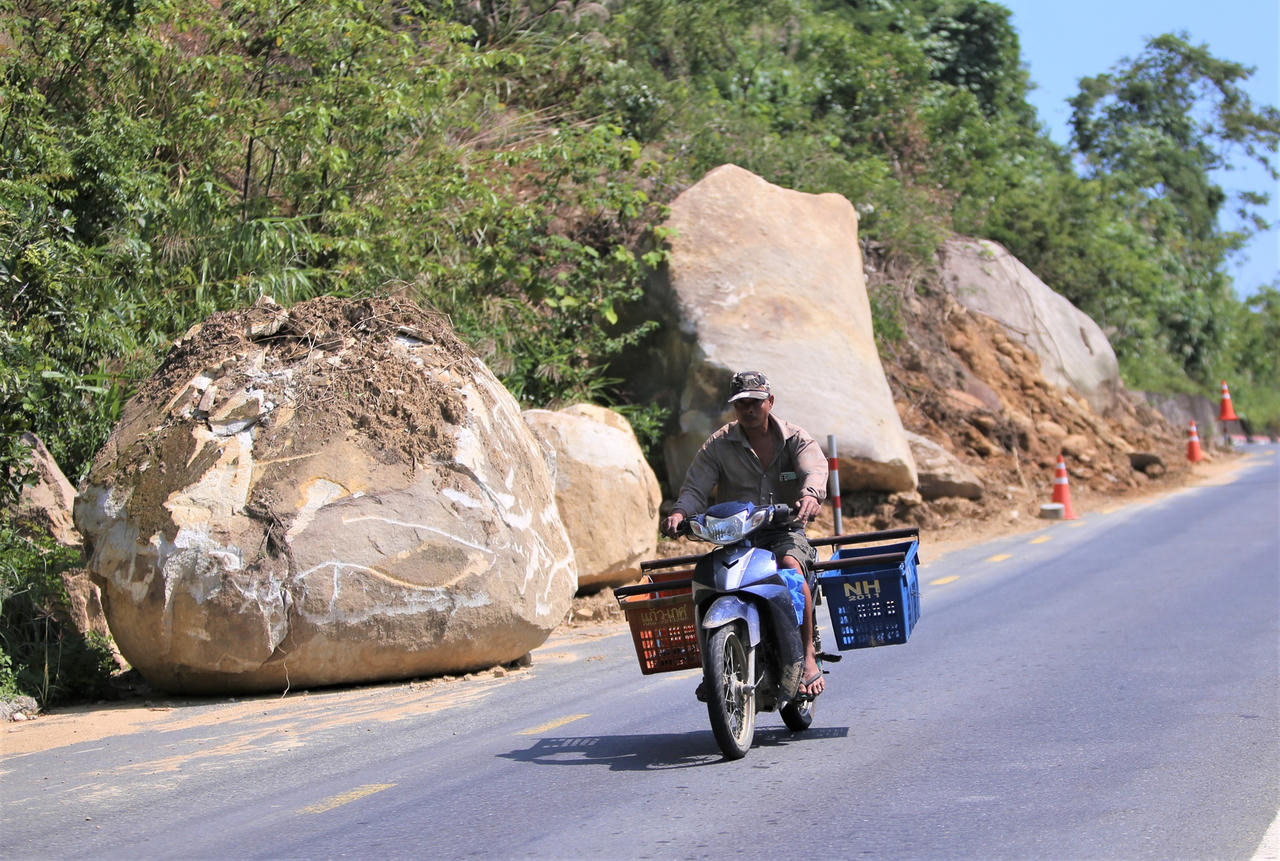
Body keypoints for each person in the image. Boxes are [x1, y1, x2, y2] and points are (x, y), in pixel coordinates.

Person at [661, 370, 830, 697]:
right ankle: (712, 663)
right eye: (741, 404)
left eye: (755, 402)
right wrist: (681, 512)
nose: (749, 409)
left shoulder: (795, 438)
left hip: (783, 530)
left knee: (791, 568)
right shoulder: (719, 444)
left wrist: (810, 494)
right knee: (706, 580)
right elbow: (696, 487)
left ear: (769, 401)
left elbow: (815, 467)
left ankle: (808, 655)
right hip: (735, 536)